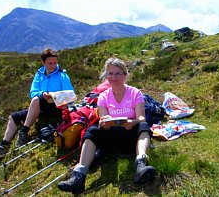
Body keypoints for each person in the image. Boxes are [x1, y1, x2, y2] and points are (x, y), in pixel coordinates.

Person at [58, 57, 156, 194]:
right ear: (106, 76)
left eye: (118, 73)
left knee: (143, 126)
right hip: (111, 139)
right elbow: (103, 119)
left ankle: (141, 164)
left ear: (125, 75)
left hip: (130, 138)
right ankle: (79, 176)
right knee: (92, 130)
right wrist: (104, 123)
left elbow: (141, 118)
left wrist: (131, 122)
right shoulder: (103, 96)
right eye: (110, 73)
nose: (114, 77)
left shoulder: (135, 93)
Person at [0, 49, 74, 161]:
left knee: (36, 100)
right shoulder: (39, 74)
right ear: (43, 62)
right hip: (40, 106)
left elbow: (71, 94)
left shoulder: (62, 75)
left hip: (56, 107)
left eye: (55, 62)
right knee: (14, 116)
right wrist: (42, 94)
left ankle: (24, 131)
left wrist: (53, 95)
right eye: (49, 63)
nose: (53, 65)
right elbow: (33, 92)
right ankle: (3, 146)